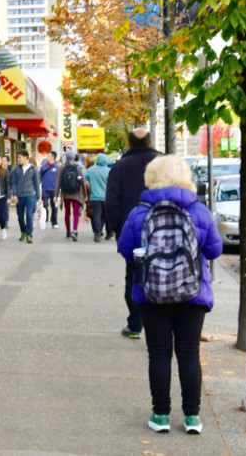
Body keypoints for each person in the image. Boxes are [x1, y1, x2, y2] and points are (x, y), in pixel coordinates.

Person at [116, 155, 222, 434]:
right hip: (192, 292)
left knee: (159, 354)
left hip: (152, 293)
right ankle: (192, 418)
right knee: (189, 353)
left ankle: (161, 415)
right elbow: (215, 250)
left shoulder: (140, 212)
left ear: (151, 178)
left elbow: (126, 250)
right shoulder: (199, 211)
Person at [106, 128, 162, 339]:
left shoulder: (120, 166)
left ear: (129, 144)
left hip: (134, 233)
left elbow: (112, 202)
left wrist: (119, 230)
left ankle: (135, 324)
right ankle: (159, 324)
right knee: (164, 271)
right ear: (151, 142)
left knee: (134, 276)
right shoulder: (163, 163)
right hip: (164, 230)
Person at [9, 150, 42, 243]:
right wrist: (14, 194)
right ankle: (23, 231)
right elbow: (14, 183)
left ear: (26, 157)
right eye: (18, 157)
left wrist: (39, 197)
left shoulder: (33, 169)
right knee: (20, 216)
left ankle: (28, 234)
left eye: (20, 157)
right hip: (19, 196)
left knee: (29, 215)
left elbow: (36, 183)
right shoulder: (16, 169)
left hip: (30, 195)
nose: (18, 159)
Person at [55, 151, 88, 241]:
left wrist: (56, 195)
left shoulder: (62, 167)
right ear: (74, 158)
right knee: (76, 213)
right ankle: (74, 230)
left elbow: (58, 182)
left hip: (65, 194)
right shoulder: (78, 167)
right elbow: (83, 182)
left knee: (67, 213)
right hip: (76, 194)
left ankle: (68, 232)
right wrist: (85, 195)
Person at [86, 153, 113, 242]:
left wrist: (91, 190)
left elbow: (87, 183)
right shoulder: (109, 171)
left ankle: (97, 234)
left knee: (96, 215)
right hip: (107, 197)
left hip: (95, 197)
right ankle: (109, 232)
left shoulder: (90, 170)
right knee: (107, 215)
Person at [39, 151, 60, 229]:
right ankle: (45, 219)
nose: (47, 157)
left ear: (52, 157)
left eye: (48, 156)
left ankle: (54, 222)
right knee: (44, 206)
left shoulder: (57, 167)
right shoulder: (43, 167)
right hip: (45, 189)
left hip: (54, 189)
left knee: (54, 206)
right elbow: (39, 177)